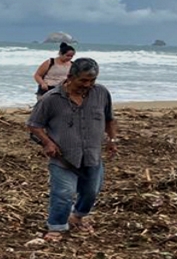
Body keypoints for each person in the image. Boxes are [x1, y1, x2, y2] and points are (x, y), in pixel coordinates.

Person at [26, 58, 118, 241]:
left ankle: (78, 216)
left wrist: (112, 139)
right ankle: (57, 226)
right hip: (63, 157)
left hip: (92, 154)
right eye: (83, 80)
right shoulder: (51, 99)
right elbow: (34, 125)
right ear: (70, 77)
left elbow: (109, 118)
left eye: (92, 80)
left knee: (92, 191)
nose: (88, 85)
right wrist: (47, 143)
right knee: (63, 192)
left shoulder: (101, 93)